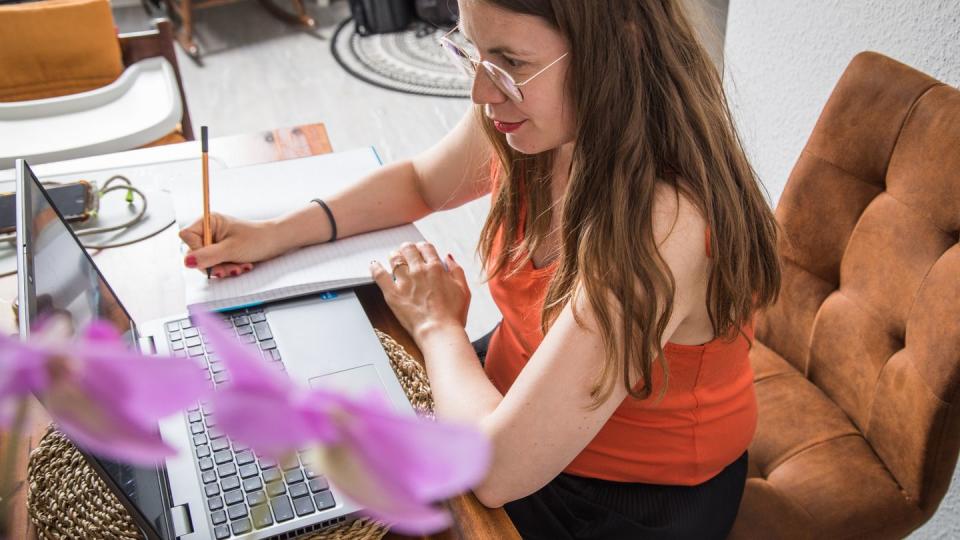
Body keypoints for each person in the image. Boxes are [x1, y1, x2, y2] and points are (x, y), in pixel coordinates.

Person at [179, 1, 781, 538]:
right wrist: (275, 232)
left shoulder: (662, 226)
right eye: (471, 49)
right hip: (517, 393)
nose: (480, 92)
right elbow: (420, 182)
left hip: (624, 494)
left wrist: (436, 325)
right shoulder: (530, 116)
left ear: (618, 47)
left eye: (511, 62)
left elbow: (496, 472)